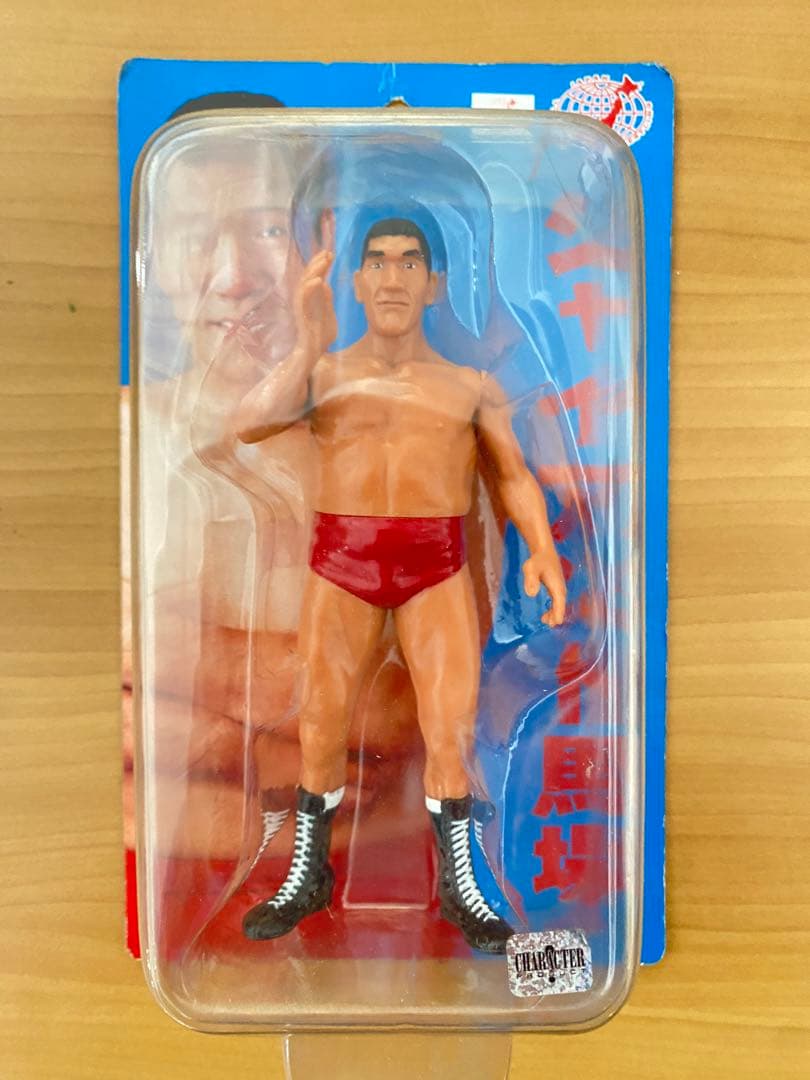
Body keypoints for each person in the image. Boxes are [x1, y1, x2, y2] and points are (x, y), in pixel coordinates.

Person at [237, 218, 567, 953]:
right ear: (357, 281)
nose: (393, 277)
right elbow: (250, 424)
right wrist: (306, 342)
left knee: (449, 728)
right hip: (342, 561)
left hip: (435, 565)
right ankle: (307, 874)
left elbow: (513, 475)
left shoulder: (469, 386)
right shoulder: (324, 376)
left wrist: (541, 548)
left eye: (410, 263)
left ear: (434, 283)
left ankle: (461, 883)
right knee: (320, 722)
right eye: (378, 262)